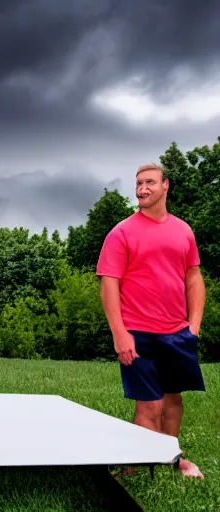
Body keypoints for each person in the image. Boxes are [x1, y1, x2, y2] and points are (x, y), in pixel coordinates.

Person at [97, 163, 206, 479]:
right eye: (138, 183)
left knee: (173, 402)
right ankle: (148, 466)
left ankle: (168, 460)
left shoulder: (183, 231)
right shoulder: (122, 232)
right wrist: (120, 333)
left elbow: (194, 278)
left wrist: (193, 328)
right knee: (150, 407)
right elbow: (109, 284)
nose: (142, 189)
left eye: (149, 183)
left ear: (165, 186)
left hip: (177, 332)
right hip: (138, 332)